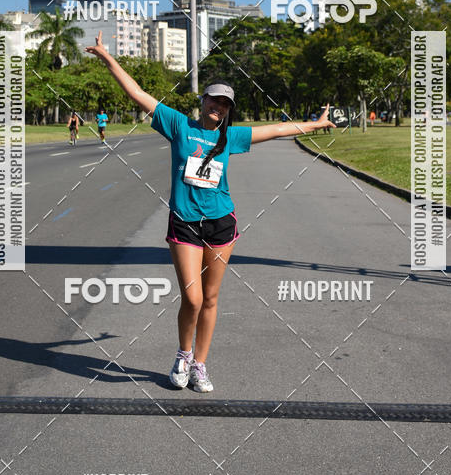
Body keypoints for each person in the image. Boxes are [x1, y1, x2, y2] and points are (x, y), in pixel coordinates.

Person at [86, 31, 335, 393]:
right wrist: (108, 58)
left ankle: (200, 364)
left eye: (224, 104)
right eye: (213, 101)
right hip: (185, 223)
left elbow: (276, 129)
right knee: (193, 297)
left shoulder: (230, 138)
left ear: (229, 109)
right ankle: (183, 355)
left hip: (221, 222)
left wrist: (315, 124)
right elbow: (137, 94)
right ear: (203, 101)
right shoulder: (178, 125)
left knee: (212, 298)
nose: (218, 107)